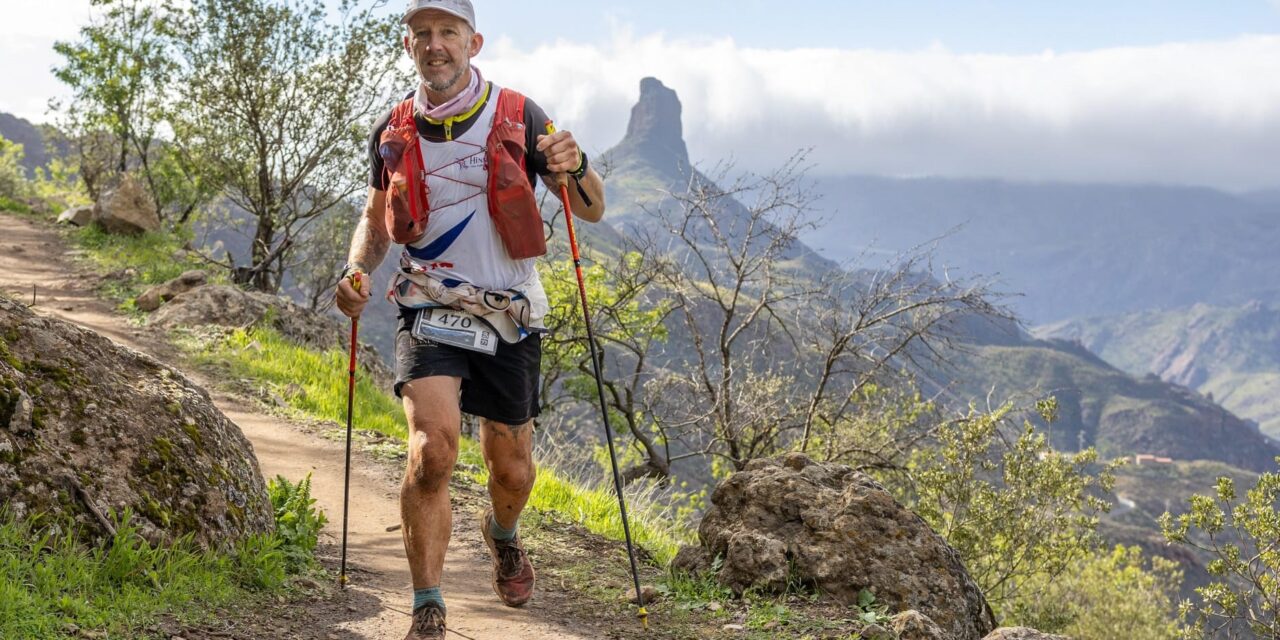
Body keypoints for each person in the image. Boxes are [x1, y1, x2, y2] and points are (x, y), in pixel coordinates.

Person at [333, 0, 605, 637]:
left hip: (508, 310)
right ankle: (428, 605)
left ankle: (501, 531)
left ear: (473, 42)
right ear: (409, 47)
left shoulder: (521, 115)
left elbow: (589, 208)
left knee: (512, 469)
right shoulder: (393, 129)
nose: (435, 45)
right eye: (422, 34)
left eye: (448, 32)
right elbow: (377, 221)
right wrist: (355, 271)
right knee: (432, 452)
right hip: (426, 301)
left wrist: (579, 163)